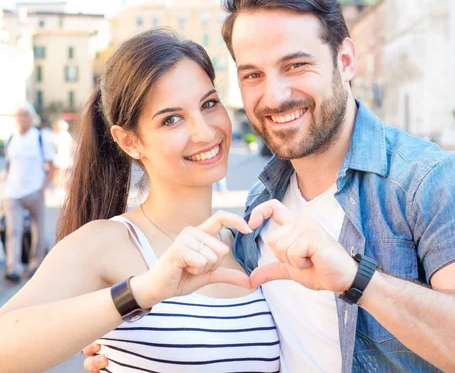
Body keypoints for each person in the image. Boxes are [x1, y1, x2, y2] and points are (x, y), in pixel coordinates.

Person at [85, 0, 455, 372]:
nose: (275, 95)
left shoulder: (428, 182)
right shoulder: (259, 209)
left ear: (345, 60)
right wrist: (134, 347)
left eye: (296, 64)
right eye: (253, 75)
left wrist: (357, 280)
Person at [0, 29, 280, 373]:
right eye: (171, 119)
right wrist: (138, 293)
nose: (205, 131)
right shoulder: (108, 241)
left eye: (209, 103)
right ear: (129, 142)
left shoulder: (246, 245)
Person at [2, 103, 55, 283]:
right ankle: (13, 268)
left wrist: (42, 187)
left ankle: (35, 265)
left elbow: (52, 166)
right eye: (19, 115)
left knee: (37, 229)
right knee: (12, 231)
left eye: (25, 115)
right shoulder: (11, 138)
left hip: (34, 191)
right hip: (12, 193)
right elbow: (9, 165)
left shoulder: (40, 138)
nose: (21, 118)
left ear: (32, 117)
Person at [51, 119, 74, 197]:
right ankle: (59, 187)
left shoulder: (57, 135)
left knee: (60, 172)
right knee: (61, 173)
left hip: (62, 156)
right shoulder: (64, 135)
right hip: (61, 156)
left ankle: (60, 187)